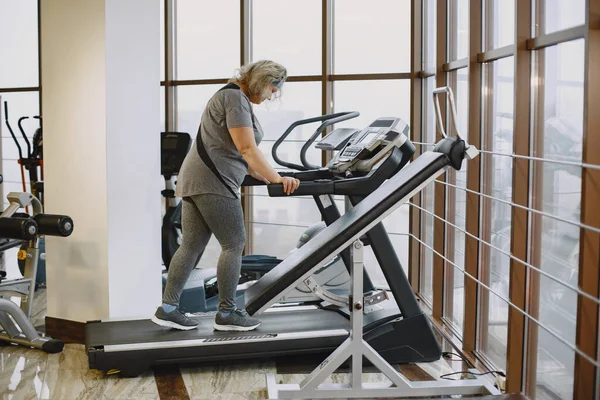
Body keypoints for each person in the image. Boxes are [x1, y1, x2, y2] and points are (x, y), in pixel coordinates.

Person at [152, 60, 300, 332]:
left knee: (191, 246)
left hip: (195, 178)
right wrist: (278, 179)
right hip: (214, 181)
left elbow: (228, 149)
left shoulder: (228, 95)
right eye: (273, 88)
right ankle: (228, 312)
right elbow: (246, 148)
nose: (273, 95)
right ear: (261, 81)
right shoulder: (235, 99)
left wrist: (267, 175)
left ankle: (168, 308)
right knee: (233, 243)